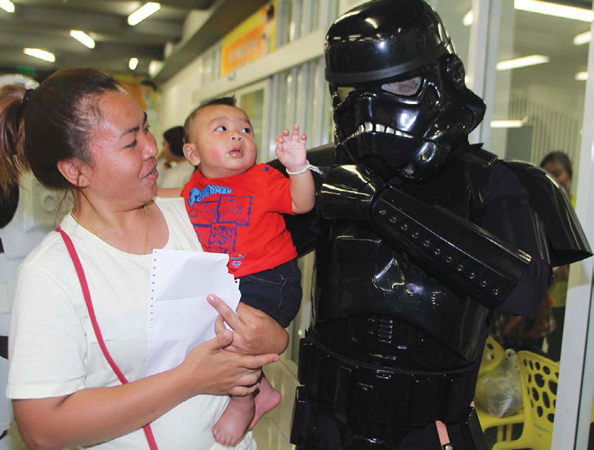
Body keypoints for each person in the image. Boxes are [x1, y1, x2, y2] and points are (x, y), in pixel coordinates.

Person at [286, 1, 592, 448]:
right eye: (357, 92)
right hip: (327, 421)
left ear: (441, 77)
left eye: (400, 83)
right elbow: (239, 246)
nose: (375, 106)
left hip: (430, 431)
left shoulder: (493, 180)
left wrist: (380, 206)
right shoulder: (323, 173)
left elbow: (523, 290)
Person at [0, 68, 287, 449]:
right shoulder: (53, 271)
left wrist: (268, 335)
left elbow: (271, 329)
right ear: (76, 170)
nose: (151, 147)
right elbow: (42, 429)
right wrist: (189, 379)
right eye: (130, 142)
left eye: (146, 128)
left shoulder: (198, 217)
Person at [177, 97, 315, 446]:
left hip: (269, 279)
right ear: (193, 154)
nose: (237, 135)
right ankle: (264, 388)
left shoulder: (263, 178)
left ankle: (243, 402)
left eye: (245, 129)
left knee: (234, 341)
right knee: (207, 335)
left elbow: (302, 203)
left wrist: (298, 168)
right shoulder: (192, 189)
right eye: (221, 129)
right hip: (226, 281)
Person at [540, 151, 574, 361]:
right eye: (547, 174)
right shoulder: (544, 207)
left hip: (572, 295)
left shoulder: (580, 208)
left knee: (566, 352)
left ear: (569, 175)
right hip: (545, 295)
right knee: (545, 352)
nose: (553, 178)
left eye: (557, 173)